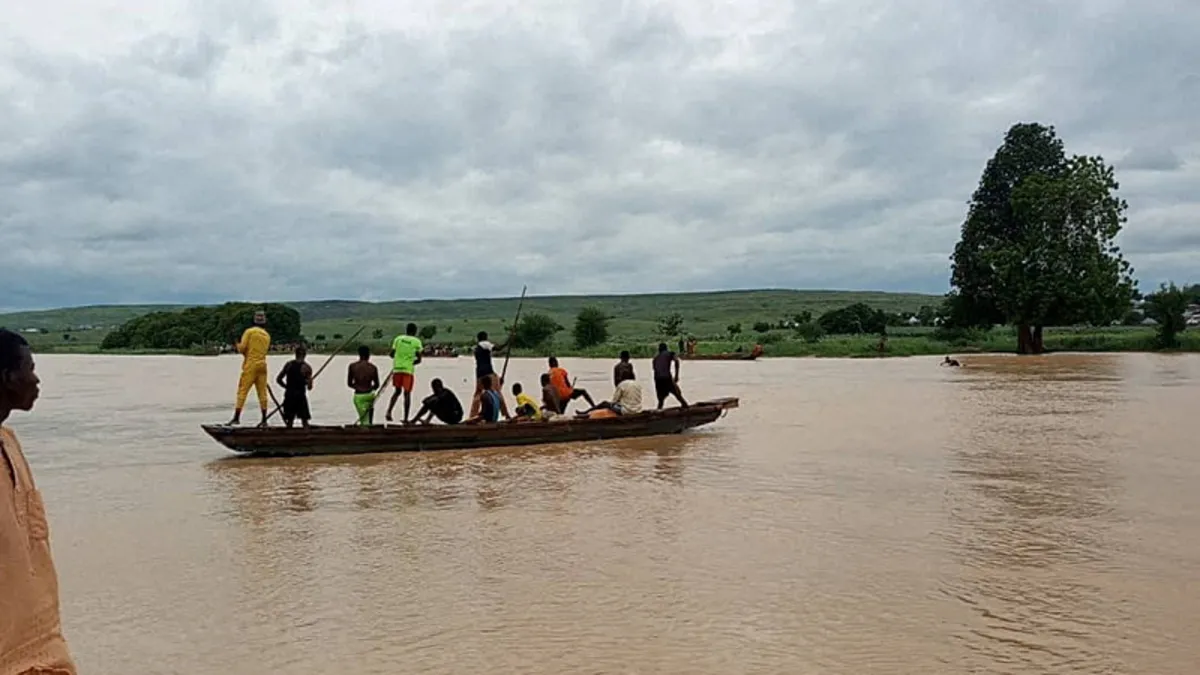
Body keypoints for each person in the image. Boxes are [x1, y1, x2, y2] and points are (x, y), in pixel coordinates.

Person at [0, 329, 78, 674]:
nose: (36, 378)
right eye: (29, 368)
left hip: (42, 649)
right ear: (7, 378)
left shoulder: (10, 442)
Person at [227, 310, 271, 426]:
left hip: (251, 365)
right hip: (262, 365)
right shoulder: (266, 335)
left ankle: (236, 418)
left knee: (242, 391)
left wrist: (236, 342)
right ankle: (264, 420)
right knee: (262, 393)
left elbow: (242, 349)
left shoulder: (249, 332)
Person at [385, 323, 423, 423]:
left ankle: (389, 411)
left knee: (397, 392)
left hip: (397, 368)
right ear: (415, 331)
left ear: (406, 330)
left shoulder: (398, 339)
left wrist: (399, 358)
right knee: (407, 394)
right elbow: (419, 359)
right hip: (408, 370)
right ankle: (406, 418)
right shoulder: (416, 342)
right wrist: (411, 362)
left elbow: (391, 354)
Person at [469, 331, 509, 418]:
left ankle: (472, 416)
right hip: (488, 372)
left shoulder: (476, 347)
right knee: (497, 392)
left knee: (477, 394)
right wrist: (508, 341)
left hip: (479, 373)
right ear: (485, 337)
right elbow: (498, 348)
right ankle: (506, 414)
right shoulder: (485, 344)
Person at [576, 368, 643, 417]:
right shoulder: (638, 385)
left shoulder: (622, 384)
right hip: (638, 410)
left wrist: (612, 405)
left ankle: (586, 413)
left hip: (626, 411)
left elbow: (614, 401)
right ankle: (587, 413)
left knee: (605, 403)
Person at [275, 346, 314, 428]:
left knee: (290, 421)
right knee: (305, 421)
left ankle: (288, 435)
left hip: (289, 395)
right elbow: (310, 387)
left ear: (295, 354)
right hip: (300, 396)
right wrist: (308, 382)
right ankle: (306, 437)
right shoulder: (306, 367)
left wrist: (286, 387)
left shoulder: (288, 365)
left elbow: (278, 379)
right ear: (304, 355)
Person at [347, 345, 380, 425]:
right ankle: (370, 429)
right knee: (368, 418)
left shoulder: (352, 366)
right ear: (369, 355)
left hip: (359, 396)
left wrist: (358, 387)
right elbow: (377, 385)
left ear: (359, 354)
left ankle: (366, 432)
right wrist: (369, 388)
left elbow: (349, 383)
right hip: (370, 395)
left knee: (364, 420)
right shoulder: (373, 367)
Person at [652, 342, 689, 409]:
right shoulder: (670, 353)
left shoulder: (655, 358)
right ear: (666, 349)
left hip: (657, 379)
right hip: (666, 378)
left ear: (659, 350)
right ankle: (686, 407)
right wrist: (676, 375)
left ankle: (658, 411)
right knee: (678, 394)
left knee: (661, 400)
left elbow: (655, 369)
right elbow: (676, 361)